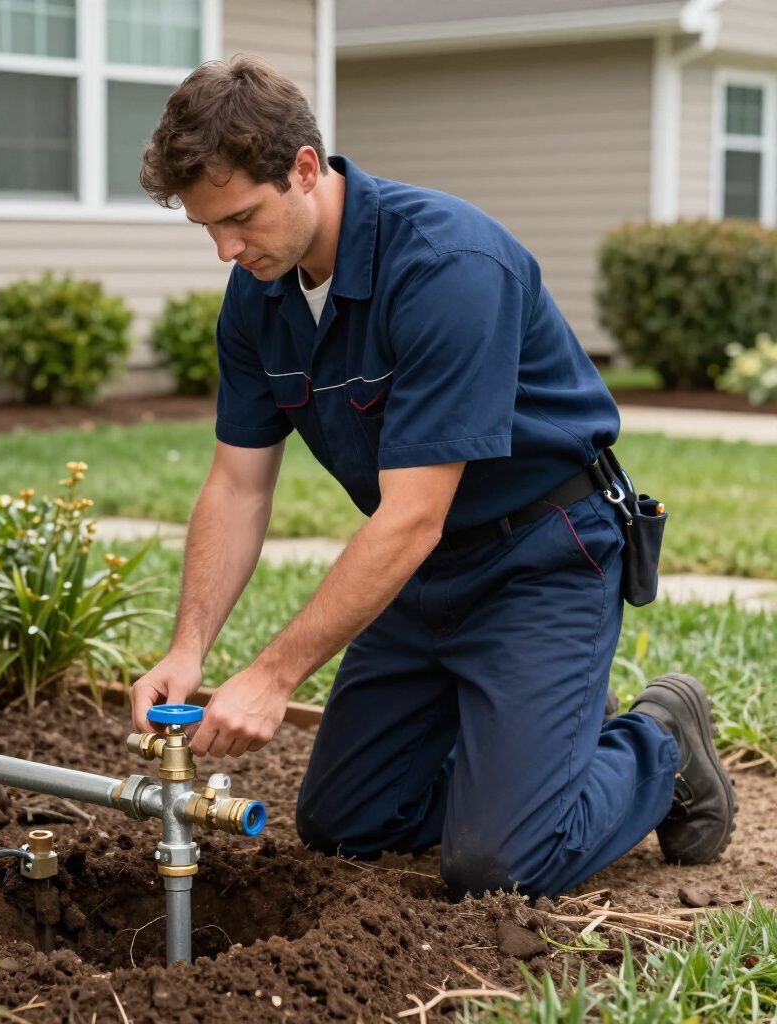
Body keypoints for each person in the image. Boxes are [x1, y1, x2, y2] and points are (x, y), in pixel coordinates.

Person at [130, 56, 737, 899]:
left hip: (543, 557)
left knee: (503, 865)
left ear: (306, 169)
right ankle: (530, 749)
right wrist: (188, 648)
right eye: (207, 229)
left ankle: (657, 743)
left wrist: (272, 677)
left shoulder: (447, 266)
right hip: (423, 577)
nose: (226, 250)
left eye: (239, 219)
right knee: (347, 826)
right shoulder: (257, 295)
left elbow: (411, 515)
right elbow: (238, 485)